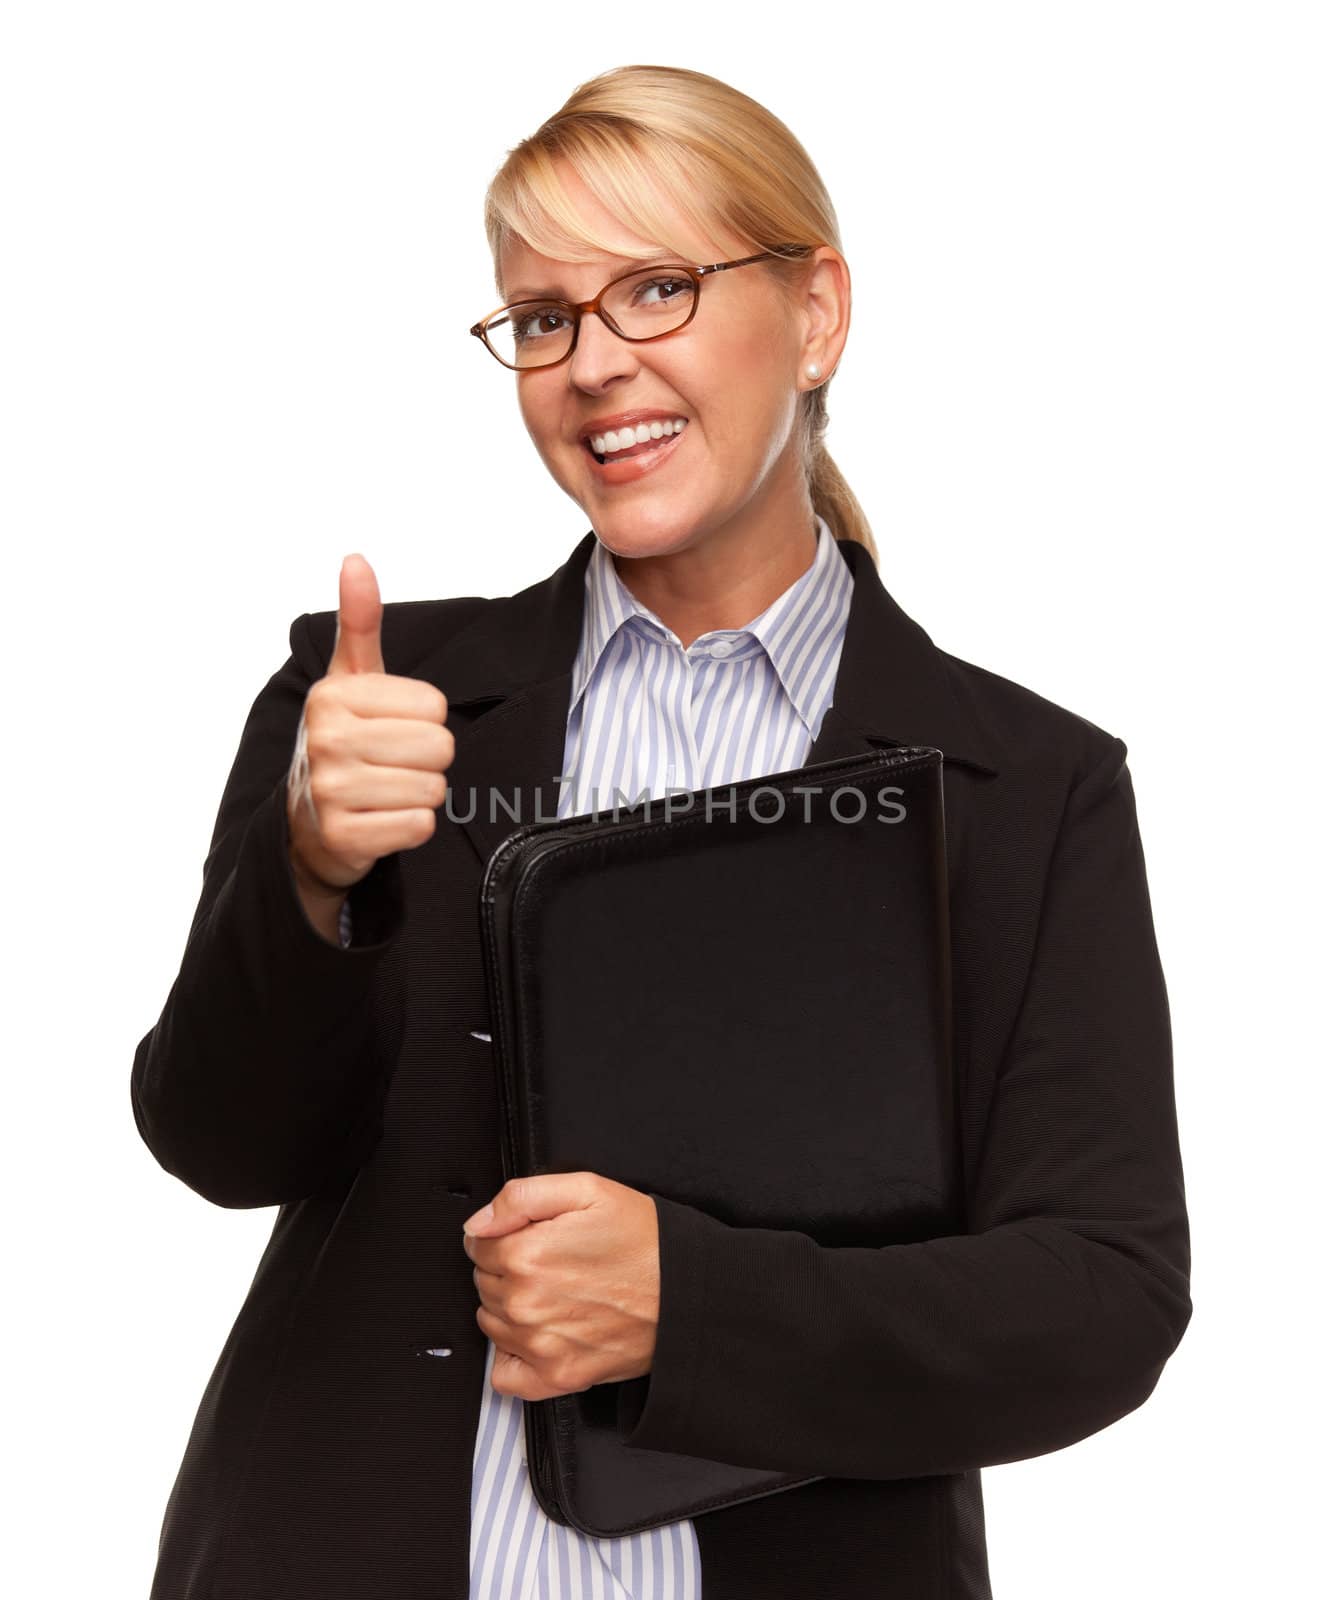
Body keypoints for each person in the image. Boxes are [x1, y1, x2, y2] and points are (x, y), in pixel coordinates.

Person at [131, 63, 1192, 1600]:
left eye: (656, 289)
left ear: (816, 315)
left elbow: (1102, 1297)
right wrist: (308, 874)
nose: (592, 365)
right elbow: (216, 1143)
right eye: (544, 318)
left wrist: (691, 1307)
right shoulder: (374, 704)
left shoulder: (1027, 789)